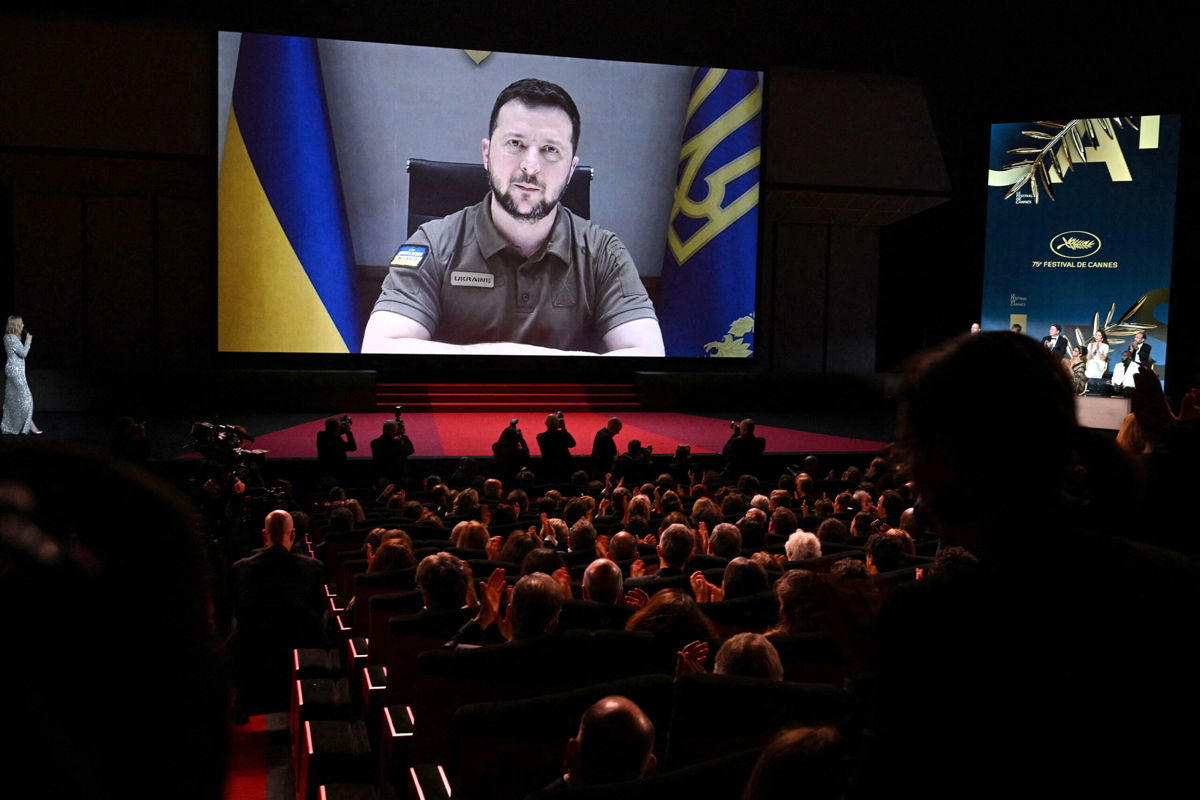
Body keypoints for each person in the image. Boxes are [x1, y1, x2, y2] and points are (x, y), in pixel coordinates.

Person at [362, 78, 664, 356]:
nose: (530, 166)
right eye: (515, 143)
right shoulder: (432, 243)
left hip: (562, 415)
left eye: (550, 149)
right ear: (486, 153)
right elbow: (379, 348)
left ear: (571, 169)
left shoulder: (604, 253)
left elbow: (649, 354)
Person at [2, 315, 42, 435]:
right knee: (27, 398)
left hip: (12, 370)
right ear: (16, 325)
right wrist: (28, 340)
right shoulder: (12, 338)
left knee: (13, 398)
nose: (23, 325)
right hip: (15, 371)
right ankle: (30, 425)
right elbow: (23, 353)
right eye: (21, 323)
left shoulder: (7, 337)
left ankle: (11, 426)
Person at [536, 411, 576, 483]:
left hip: (548, 467)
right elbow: (572, 444)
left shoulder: (540, 437)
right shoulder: (562, 435)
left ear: (546, 424)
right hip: (564, 467)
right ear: (558, 424)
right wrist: (564, 429)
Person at [492, 418, 530, 482]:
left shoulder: (496, 447)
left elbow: (501, 441)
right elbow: (526, 451)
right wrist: (521, 440)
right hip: (516, 479)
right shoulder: (519, 453)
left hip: (501, 478)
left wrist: (509, 430)